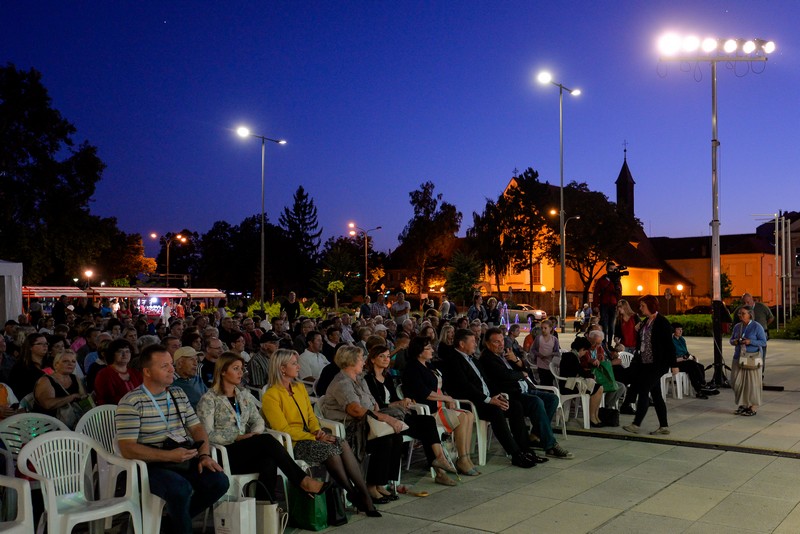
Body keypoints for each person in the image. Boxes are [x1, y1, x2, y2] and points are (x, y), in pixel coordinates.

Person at [116, 345, 230, 534]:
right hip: (150, 465)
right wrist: (169, 456)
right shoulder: (132, 402)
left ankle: (168, 526)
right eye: (164, 366)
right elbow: (128, 449)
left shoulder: (177, 394)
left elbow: (197, 428)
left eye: (171, 364)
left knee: (219, 481)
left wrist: (204, 456)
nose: (172, 369)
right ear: (147, 372)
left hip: (181, 458)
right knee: (180, 489)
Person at [196, 352, 329, 502]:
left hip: (247, 447)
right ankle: (302, 481)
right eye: (235, 368)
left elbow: (258, 420)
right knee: (266, 441)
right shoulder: (209, 399)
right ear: (223, 371)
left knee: (268, 460)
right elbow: (206, 434)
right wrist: (237, 437)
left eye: (242, 368)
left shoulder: (243, 395)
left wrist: (253, 434)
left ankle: (265, 507)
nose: (241, 373)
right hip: (224, 451)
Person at [262, 349, 380, 517]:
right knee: (331, 450)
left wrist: (318, 431)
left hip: (311, 436)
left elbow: (311, 416)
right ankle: (354, 494)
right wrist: (314, 436)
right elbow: (283, 429)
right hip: (293, 443)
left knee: (341, 442)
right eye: (294, 363)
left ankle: (362, 494)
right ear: (281, 368)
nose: (298, 366)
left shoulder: (299, 387)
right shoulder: (271, 395)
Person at [439, 329, 538, 468]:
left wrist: (497, 394)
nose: (475, 344)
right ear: (462, 344)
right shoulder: (454, 360)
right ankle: (515, 453)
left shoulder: (472, 358)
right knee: (496, 411)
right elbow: (466, 387)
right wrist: (488, 399)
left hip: (486, 399)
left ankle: (524, 448)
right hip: (472, 402)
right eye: (472, 342)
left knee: (515, 406)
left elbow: (486, 381)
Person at [319, 345, 405, 504]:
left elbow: (372, 403)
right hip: (349, 428)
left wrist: (379, 414)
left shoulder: (359, 379)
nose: (364, 361)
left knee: (396, 437)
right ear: (350, 361)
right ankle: (371, 486)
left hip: (366, 422)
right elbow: (356, 411)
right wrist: (384, 418)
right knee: (384, 441)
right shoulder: (342, 382)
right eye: (361, 358)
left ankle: (381, 483)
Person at [364, 344, 459, 486]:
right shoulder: (368, 379)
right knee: (427, 428)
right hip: (384, 419)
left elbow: (394, 398)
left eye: (388, 356)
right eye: (381, 356)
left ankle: (439, 462)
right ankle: (440, 469)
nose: (386, 359)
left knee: (428, 422)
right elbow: (375, 405)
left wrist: (404, 401)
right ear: (372, 360)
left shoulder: (387, 377)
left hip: (399, 414)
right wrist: (394, 404)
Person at [480, 328, 572, 459]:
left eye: (502, 340)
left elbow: (527, 367)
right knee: (536, 402)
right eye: (496, 342)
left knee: (552, 399)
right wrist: (520, 374)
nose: (501, 344)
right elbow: (505, 375)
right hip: (512, 394)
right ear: (488, 344)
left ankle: (534, 436)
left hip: (526, 388)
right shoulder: (488, 358)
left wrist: (516, 360)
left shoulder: (506, 353)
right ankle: (550, 445)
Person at [402, 336, 478, 475]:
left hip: (439, 405)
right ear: (419, 351)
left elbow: (439, 387)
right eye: (428, 348)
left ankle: (465, 457)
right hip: (427, 409)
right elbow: (424, 392)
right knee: (462, 417)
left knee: (469, 415)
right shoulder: (412, 367)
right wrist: (446, 398)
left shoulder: (429, 365)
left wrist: (447, 398)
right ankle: (461, 459)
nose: (432, 350)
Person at [623, 295, 677, 435]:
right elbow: (642, 341)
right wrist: (638, 330)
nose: (640, 308)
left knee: (643, 389)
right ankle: (664, 426)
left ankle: (636, 424)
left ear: (650, 306)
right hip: (645, 363)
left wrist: (674, 364)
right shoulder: (646, 321)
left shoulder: (662, 322)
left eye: (642, 306)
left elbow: (669, 345)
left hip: (657, 364)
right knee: (656, 394)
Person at [557, 337, 605, 428]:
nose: (585, 353)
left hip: (572, 383)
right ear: (582, 349)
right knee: (598, 388)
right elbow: (580, 372)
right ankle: (592, 417)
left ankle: (595, 415)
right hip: (568, 386)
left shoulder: (572, 356)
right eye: (585, 351)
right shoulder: (571, 357)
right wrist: (591, 375)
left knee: (599, 387)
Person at [33, 349, 88, 427]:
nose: (70, 364)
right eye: (65, 361)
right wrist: (72, 397)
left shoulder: (75, 378)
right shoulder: (46, 380)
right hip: (48, 426)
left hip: (72, 424)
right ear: (56, 364)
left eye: (73, 361)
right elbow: (48, 404)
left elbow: (83, 398)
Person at [730, 306, 767, 416]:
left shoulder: (757, 326)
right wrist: (735, 341)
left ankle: (753, 406)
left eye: (743, 313)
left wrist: (750, 341)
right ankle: (743, 403)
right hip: (739, 357)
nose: (741, 316)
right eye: (739, 314)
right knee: (736, 382)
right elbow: (731, 340)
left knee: (752, 384)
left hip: (752, 358)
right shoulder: (737, 326)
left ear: (750, 314)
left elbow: (763, 342)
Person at [671, 323, 718, 399]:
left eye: (681, 329)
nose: (680, 331)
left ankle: (701, 388)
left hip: (685, 360)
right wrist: (683, 358)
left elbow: (685, 352)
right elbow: (671, 357)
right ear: (673, 330)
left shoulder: (682, 339)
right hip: (676, 363)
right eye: (678, 329)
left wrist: (691, 356)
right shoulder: (671, 341)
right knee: (692, 366)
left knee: (700, 366)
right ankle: (701, 386)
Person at [734, 293, 774, 379]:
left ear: (752, 300)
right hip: (746, 335)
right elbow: (735, 322)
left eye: (748, 302)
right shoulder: (740, 310)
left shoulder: (762, 307)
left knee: (760, 353)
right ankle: (745, 369)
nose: (746, 304)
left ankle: (759, 372)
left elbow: (771, 317)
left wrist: (765, 326)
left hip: (761, 332)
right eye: (744, 302)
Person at [94, 339, 143, 405]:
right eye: (120, 351)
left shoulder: (135, 373)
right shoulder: (104, 374)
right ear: (112, 354)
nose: (125, 354)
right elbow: (107, 399)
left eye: (127, 351)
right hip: (115, 411)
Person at [8, 332, 48, 400]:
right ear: (30, 347)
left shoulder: (50, 363)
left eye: (46, 343)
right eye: (40, 344)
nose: (45, 346)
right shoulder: (20, 367)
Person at [593, 263, 621, 343]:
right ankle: (604, 342)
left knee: (611, 325)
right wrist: (596, 305)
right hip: (604, 304)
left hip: (613, 305)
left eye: (614, 269)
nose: (613, 271)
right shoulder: (602, 279)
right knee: (604, 324)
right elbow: (596, 292)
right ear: (607, 269)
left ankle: (609, 343)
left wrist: (616, 286)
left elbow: (619, 294)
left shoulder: (616, 280)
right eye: (611, 269)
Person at [530, 320, 561, 387]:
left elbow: (557, 352)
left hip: (550, 365)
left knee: (550, 382)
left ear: (550, 328)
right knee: (543, 382)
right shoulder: (538, 338)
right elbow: (533, 349)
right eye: (542, 328)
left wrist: (551, 354)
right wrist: (539, 355)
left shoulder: (554, 339)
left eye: (545, 328)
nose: (543, 330)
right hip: (541, 364)